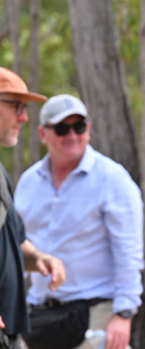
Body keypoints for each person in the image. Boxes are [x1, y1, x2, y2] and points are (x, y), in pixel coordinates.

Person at [14, 94, 144, 349]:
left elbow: (129, 253)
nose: (72, 135)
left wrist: (123, 314)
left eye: (79, 126)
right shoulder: (27, 183)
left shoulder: (113, 179)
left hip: (97, 314)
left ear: (89, 130)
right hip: (39, 315)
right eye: (62, 128)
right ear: (43, 134)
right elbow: (16, 249)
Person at [0, 67, 65, 348]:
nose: (24, 117)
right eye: (17, 106)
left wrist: (38, 258)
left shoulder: (1, 173)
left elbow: (13, 241)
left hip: (10, 333)